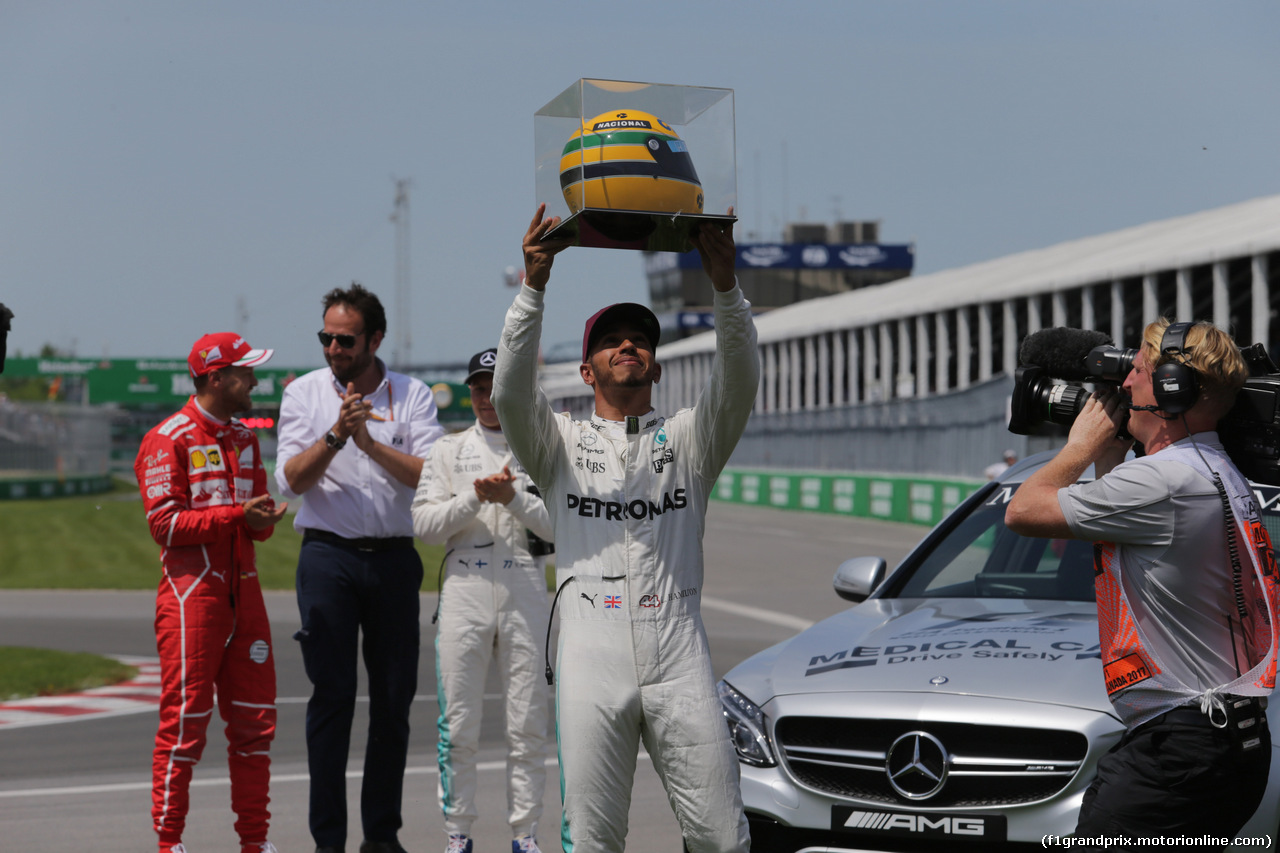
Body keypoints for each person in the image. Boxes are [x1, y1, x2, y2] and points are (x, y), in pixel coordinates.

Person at [491, 205, 757, 852]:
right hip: (590, 653)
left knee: (723, 836)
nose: (628, 344)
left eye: (640, 338)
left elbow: (740, 379)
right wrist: (533, 287)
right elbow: (507, 393)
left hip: (678, 649)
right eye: (611, 340)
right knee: (593, 839)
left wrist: (725, 285)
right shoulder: (558, 444)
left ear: (657, 367)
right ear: (587, 371)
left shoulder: (692, 438)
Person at [1005, 318, 1279, 847]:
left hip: (1178, 751)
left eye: (1135, 371)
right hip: (1226, 743)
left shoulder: (1164, 482)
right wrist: (1110, 454)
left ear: (1173, 388)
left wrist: (1080, 446)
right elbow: (1120, 520)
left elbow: (1023, 511)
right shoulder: (1210, 469)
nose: (1123, 385)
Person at [275, 283, 445, 853]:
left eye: (344, 339)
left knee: (394, 702)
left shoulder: (414, 395)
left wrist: (369, 443)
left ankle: (382, 838)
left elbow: (431, 475)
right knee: (333, 697)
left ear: (375, 339)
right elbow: (292, 481)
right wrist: (336, 435)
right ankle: (328, 842)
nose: (332, 348)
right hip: (328, 556)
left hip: (395, 560)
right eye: (325, 337)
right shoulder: (303, 394)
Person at [135, 332, 288, 853]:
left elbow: (256, 525)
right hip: (191, 599)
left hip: (245, 598)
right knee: (184, 726)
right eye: (247, 372)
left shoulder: (245, 439)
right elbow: (164, 525)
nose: (256, 381)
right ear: (217, 377)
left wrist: (260, 521)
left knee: (255, 725)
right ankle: (170, 843)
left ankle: (255, 843)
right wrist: (236, 517)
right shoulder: (168, 438)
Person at [412, 347, 555, 853]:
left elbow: (562, 527)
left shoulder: (541, 445)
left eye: (496, 386)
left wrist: (512, 498)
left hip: (527, 585)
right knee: (458, 724)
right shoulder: (448, 450)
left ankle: (526, 834)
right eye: (478, 387)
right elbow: (424, 527)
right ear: (470, 392)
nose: (487, 397)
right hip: (465, 589)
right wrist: (476, 495)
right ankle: (458, 834)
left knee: (529, 722)